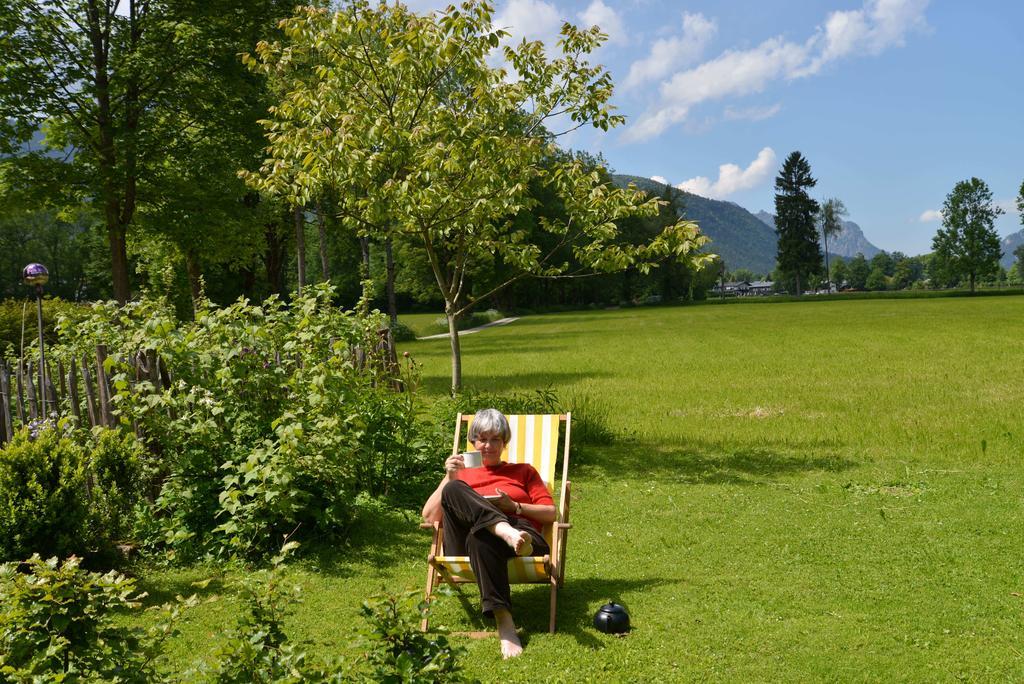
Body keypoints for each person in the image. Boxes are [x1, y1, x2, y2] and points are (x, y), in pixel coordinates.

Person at [422, 408, 556, 659]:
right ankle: (500, 528)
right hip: (465, 541)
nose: (488, 445)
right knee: (454, 490)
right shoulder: (460, 474)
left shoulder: (524, 471)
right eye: (482, 439)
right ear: (472, 442)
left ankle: (505, 624)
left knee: (480, 536)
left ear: (504, 443)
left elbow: (550, 513)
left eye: (496, 439)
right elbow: (429, 517)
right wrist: (448, 477)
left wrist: (514, 507)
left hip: (520, 534)